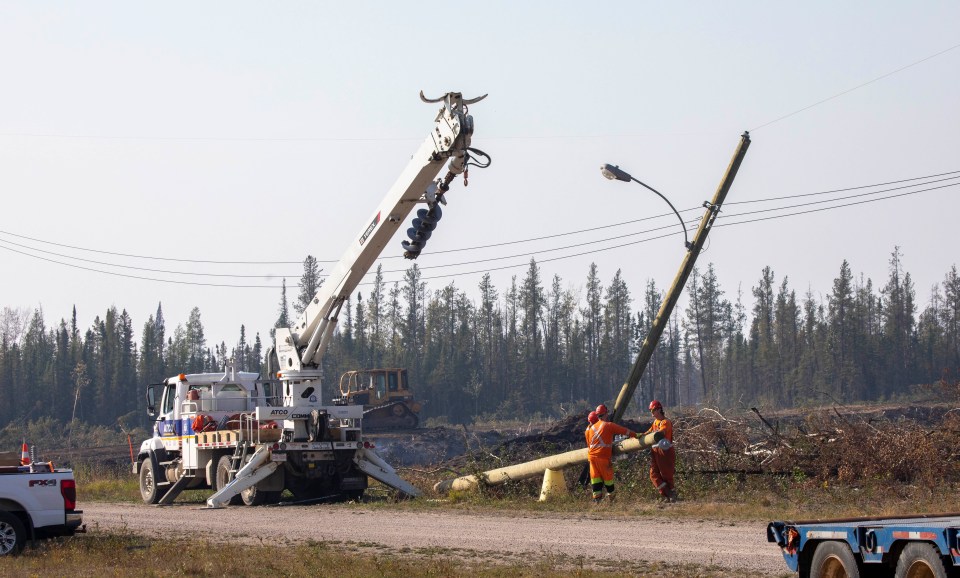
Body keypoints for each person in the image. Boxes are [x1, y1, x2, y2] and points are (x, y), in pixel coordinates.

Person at [585, 409, 638, 504]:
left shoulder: (589, 429)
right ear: (605, 414)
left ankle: (597, 500)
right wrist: (636, 435)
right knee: (608, 479)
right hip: (602, 456)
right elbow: (624, 431)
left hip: (592, 458)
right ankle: (612, 499)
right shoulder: (608, 425)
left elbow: (590, 445)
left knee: (596, 478)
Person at [643, 400, 677, 502]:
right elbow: (648, 432)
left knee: (666, 474)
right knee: (653, 474)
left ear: (659, 410)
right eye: (651, 411)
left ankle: (671, 495)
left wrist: (656, 433)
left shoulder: (666, 422)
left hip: (665, 451)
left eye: (653, 410)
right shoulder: (655, 422)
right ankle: (666, 493)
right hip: (655, 451)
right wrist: (639, 436)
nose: (652, 413)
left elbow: (662, 431)